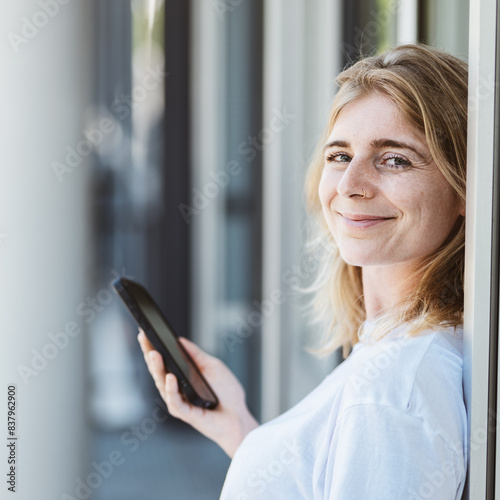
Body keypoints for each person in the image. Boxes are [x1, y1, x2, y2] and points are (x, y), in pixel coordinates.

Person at [138, 43, 468, 499]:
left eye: (395, 159)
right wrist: (242, 430)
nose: (351, 185)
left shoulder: (395, 390)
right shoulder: (391, 350)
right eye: (339, 155)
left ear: (465, 190)